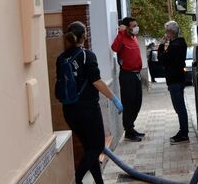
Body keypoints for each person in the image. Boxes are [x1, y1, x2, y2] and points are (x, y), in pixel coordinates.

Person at [58, 21, 123, 184]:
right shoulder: (87, 55)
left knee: (89, 148)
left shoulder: (61, 58)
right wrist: (114, 98)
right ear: (83, 36)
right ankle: (77, 179)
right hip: (87, 110)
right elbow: (97, 82)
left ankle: (98, 182)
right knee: (97, 146)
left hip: (69, 111)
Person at [111, 16, 144, 142]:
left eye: (136, 25)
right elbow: (114, 48)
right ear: (127, 28)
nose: (136, 28)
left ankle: (131, 127)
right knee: (129, 103)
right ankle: (129, 131)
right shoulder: (122, 37)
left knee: (137, 102)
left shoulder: (133, 37)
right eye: (133, 26)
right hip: (127, 75)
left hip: (137, 74)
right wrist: (120, 32)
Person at [157, 21, 189, 144]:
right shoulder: (179, 43)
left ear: (171, 32)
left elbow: (162, 59)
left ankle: (184, 133)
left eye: (167, 31)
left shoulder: (175, 45)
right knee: (179, 107)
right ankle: (183, 131)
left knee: (179, 107)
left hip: (175, 80)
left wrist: (161, 45)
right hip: (177, 79)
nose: (166, 34)